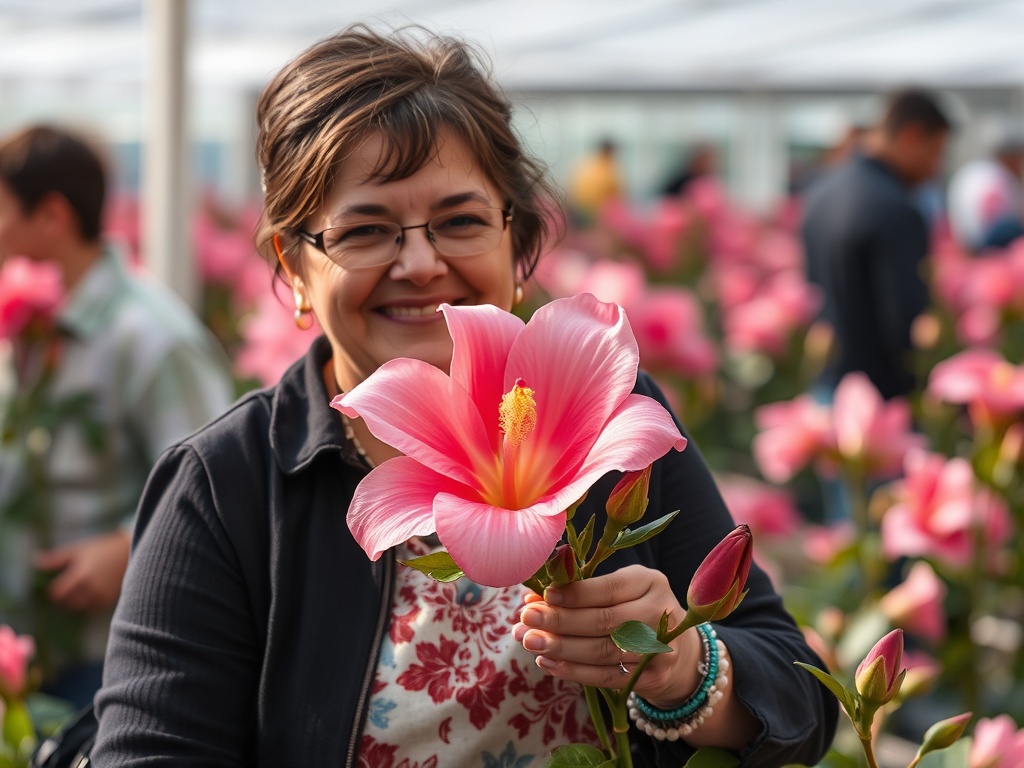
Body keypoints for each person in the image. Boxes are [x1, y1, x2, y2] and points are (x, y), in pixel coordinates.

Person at [92, 25, 837, 767]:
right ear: (294, 269)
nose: (421, 264)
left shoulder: (608, 414)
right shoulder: (225, 485)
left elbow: (802, 705)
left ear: (516, 242)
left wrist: (682, 668)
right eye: (366, 230)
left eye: (460, 221)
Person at [0, 125, 235, 709]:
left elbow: (219, 485)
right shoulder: (28, 321)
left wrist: (127, 547)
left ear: (51, 217)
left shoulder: (151, 337)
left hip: (104, 661)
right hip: (25, 652)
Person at [801, 88, 952, 402]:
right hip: (878, 399)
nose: (934, 168)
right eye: (935, 152)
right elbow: (904, 323)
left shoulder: (819, 193)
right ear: (911, 136)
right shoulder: (897, 210)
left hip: (825, 387)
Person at [947, 129, 1024, 253]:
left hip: (968, 243)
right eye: (1020, 158)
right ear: (1010, 157)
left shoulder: (980, 170)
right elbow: (997, 223)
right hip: (985, 244)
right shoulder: (997, 176)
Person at [568, 138, 624, 227]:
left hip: (578, 208)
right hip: (596, 212)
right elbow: (616, 193)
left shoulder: (587, 162)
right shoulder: (609, 168)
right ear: (610, 151)